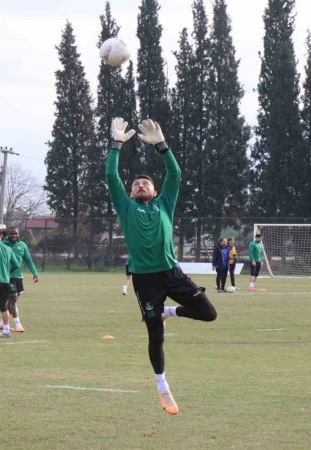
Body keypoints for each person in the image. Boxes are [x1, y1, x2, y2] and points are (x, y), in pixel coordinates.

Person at [106, 117, 217, 416]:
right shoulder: (126, 206)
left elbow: (175, 173)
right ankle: (162, 386)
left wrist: (162, 146)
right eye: (136, 184)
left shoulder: (165, 203)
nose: (141, 184)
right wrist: (116, 146)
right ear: (129, 193)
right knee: (156, 335)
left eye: (146, 183)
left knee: (209, 314)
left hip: (172, 273)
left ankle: (171, 310)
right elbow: (110, 176)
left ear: (155, 191)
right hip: (145, 280)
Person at [0, 228, 39, 333]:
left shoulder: (22, 245)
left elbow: (28, 260)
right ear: (8, 234)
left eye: (16, 233)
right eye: (11, 234)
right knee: (13, 298)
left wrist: (35, 273)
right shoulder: (3, 244)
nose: (14, 235)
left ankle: (2, 322)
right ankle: (18, 325)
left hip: (18, 277)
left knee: (12, 301)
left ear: (18, 234)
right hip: (6, 276)